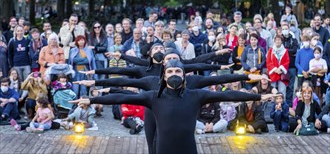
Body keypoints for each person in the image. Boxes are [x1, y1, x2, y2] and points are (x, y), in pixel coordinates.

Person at [70, 59, 273, 154]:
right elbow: (119, 96)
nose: (174, 74)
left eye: (178, 71)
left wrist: (259, 96)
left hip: (188, 149)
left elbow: (226, 93)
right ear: (164, 76)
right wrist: (92, 100)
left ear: (184, 75)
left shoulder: (196, 95)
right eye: (170, 71)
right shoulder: (152, 97)